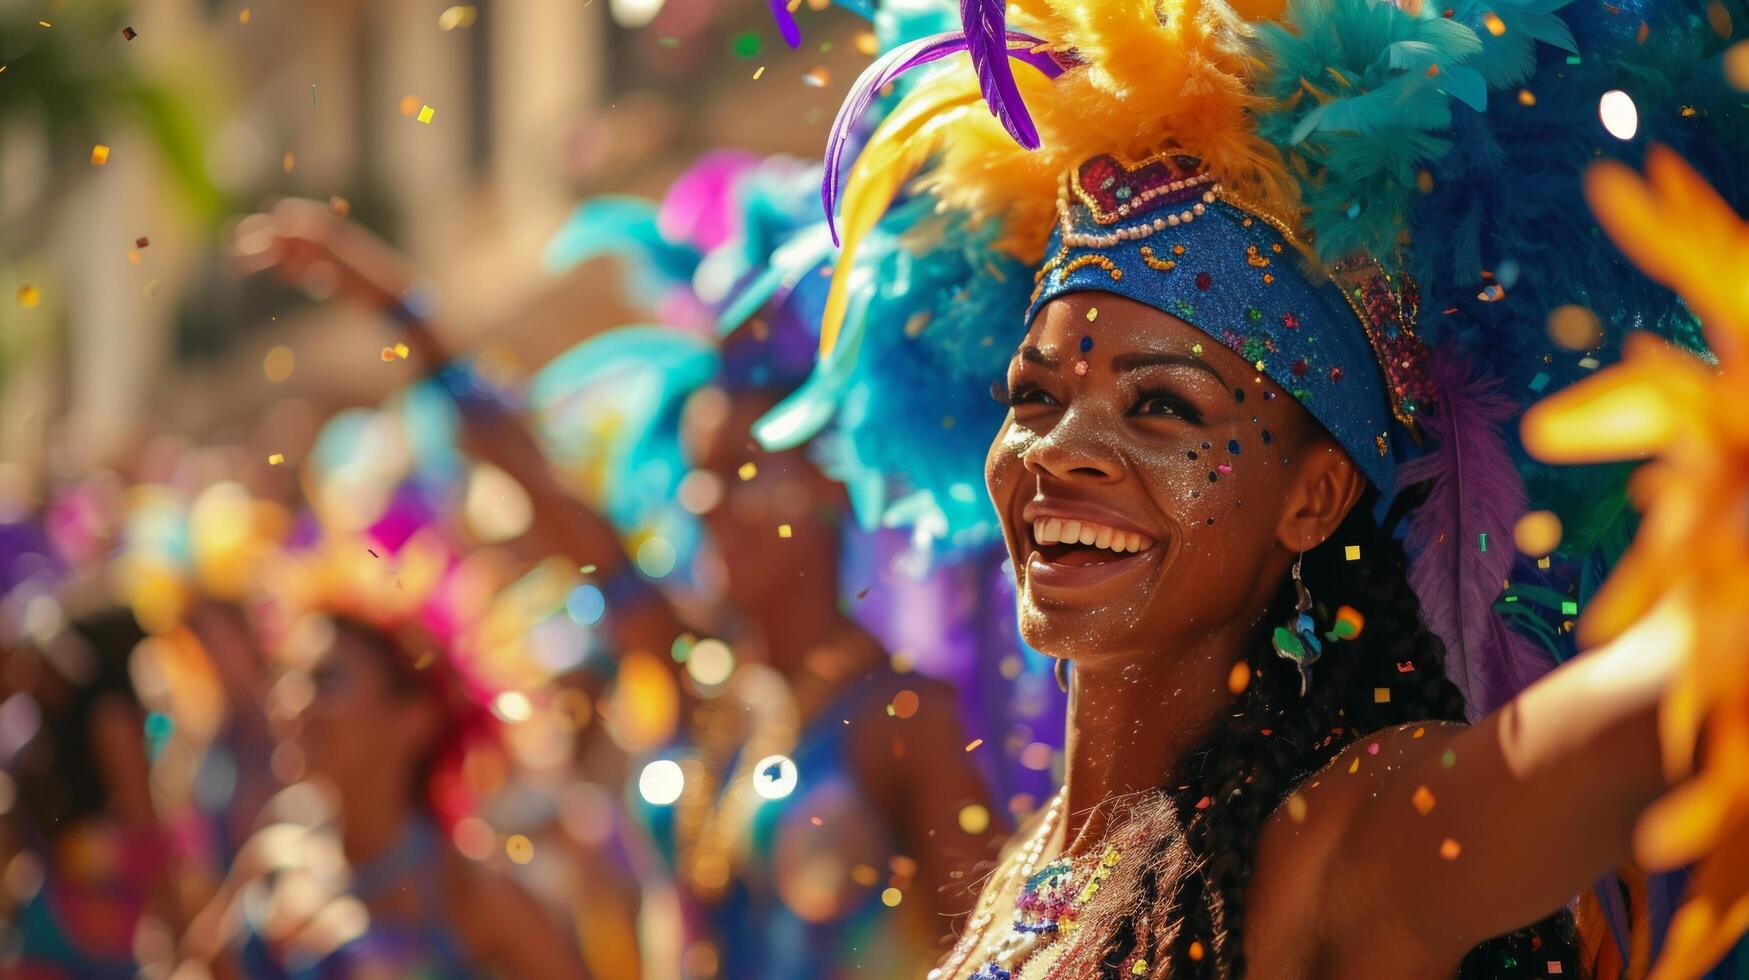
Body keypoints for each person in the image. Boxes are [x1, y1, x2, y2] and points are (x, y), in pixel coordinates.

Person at [771, 0, 1749, 976]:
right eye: (1035, 393)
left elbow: (1613, 734)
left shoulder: (1348, 837)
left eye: (1162, 406)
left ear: (1314, 499)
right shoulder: (1039, 854)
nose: (1062, 447)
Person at [229, 152, 1007, 976]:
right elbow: (530, 473)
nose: (705, 502)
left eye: (744, 471)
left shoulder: (903, 720)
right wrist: (397, 307)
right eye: (699, 473)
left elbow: (987, 953)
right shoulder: (695, 682)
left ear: (832, 481)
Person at [177, 598, 590, 978]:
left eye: (326, 679)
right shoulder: (275, 856)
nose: (292, 700)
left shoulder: (471, 892)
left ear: (415, 719)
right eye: (290, 676)